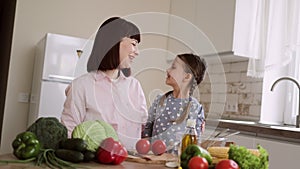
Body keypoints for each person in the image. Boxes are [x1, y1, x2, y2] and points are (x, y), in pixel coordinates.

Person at [61, 17, 148, 150]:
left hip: (131, 162)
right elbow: (68, 132)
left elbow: (143, 126)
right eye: (134, 43)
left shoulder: (134, 86)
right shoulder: (81, 86)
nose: (137, 52)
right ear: (114, 43)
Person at [142, 53, 207, 150]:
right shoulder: (160, 100)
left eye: (173, 67)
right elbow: (147, 129)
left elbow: (194, 143)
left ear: (187, 77)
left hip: (178, 162)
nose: (167, 70)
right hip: (155, 158)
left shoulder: (195, 108)